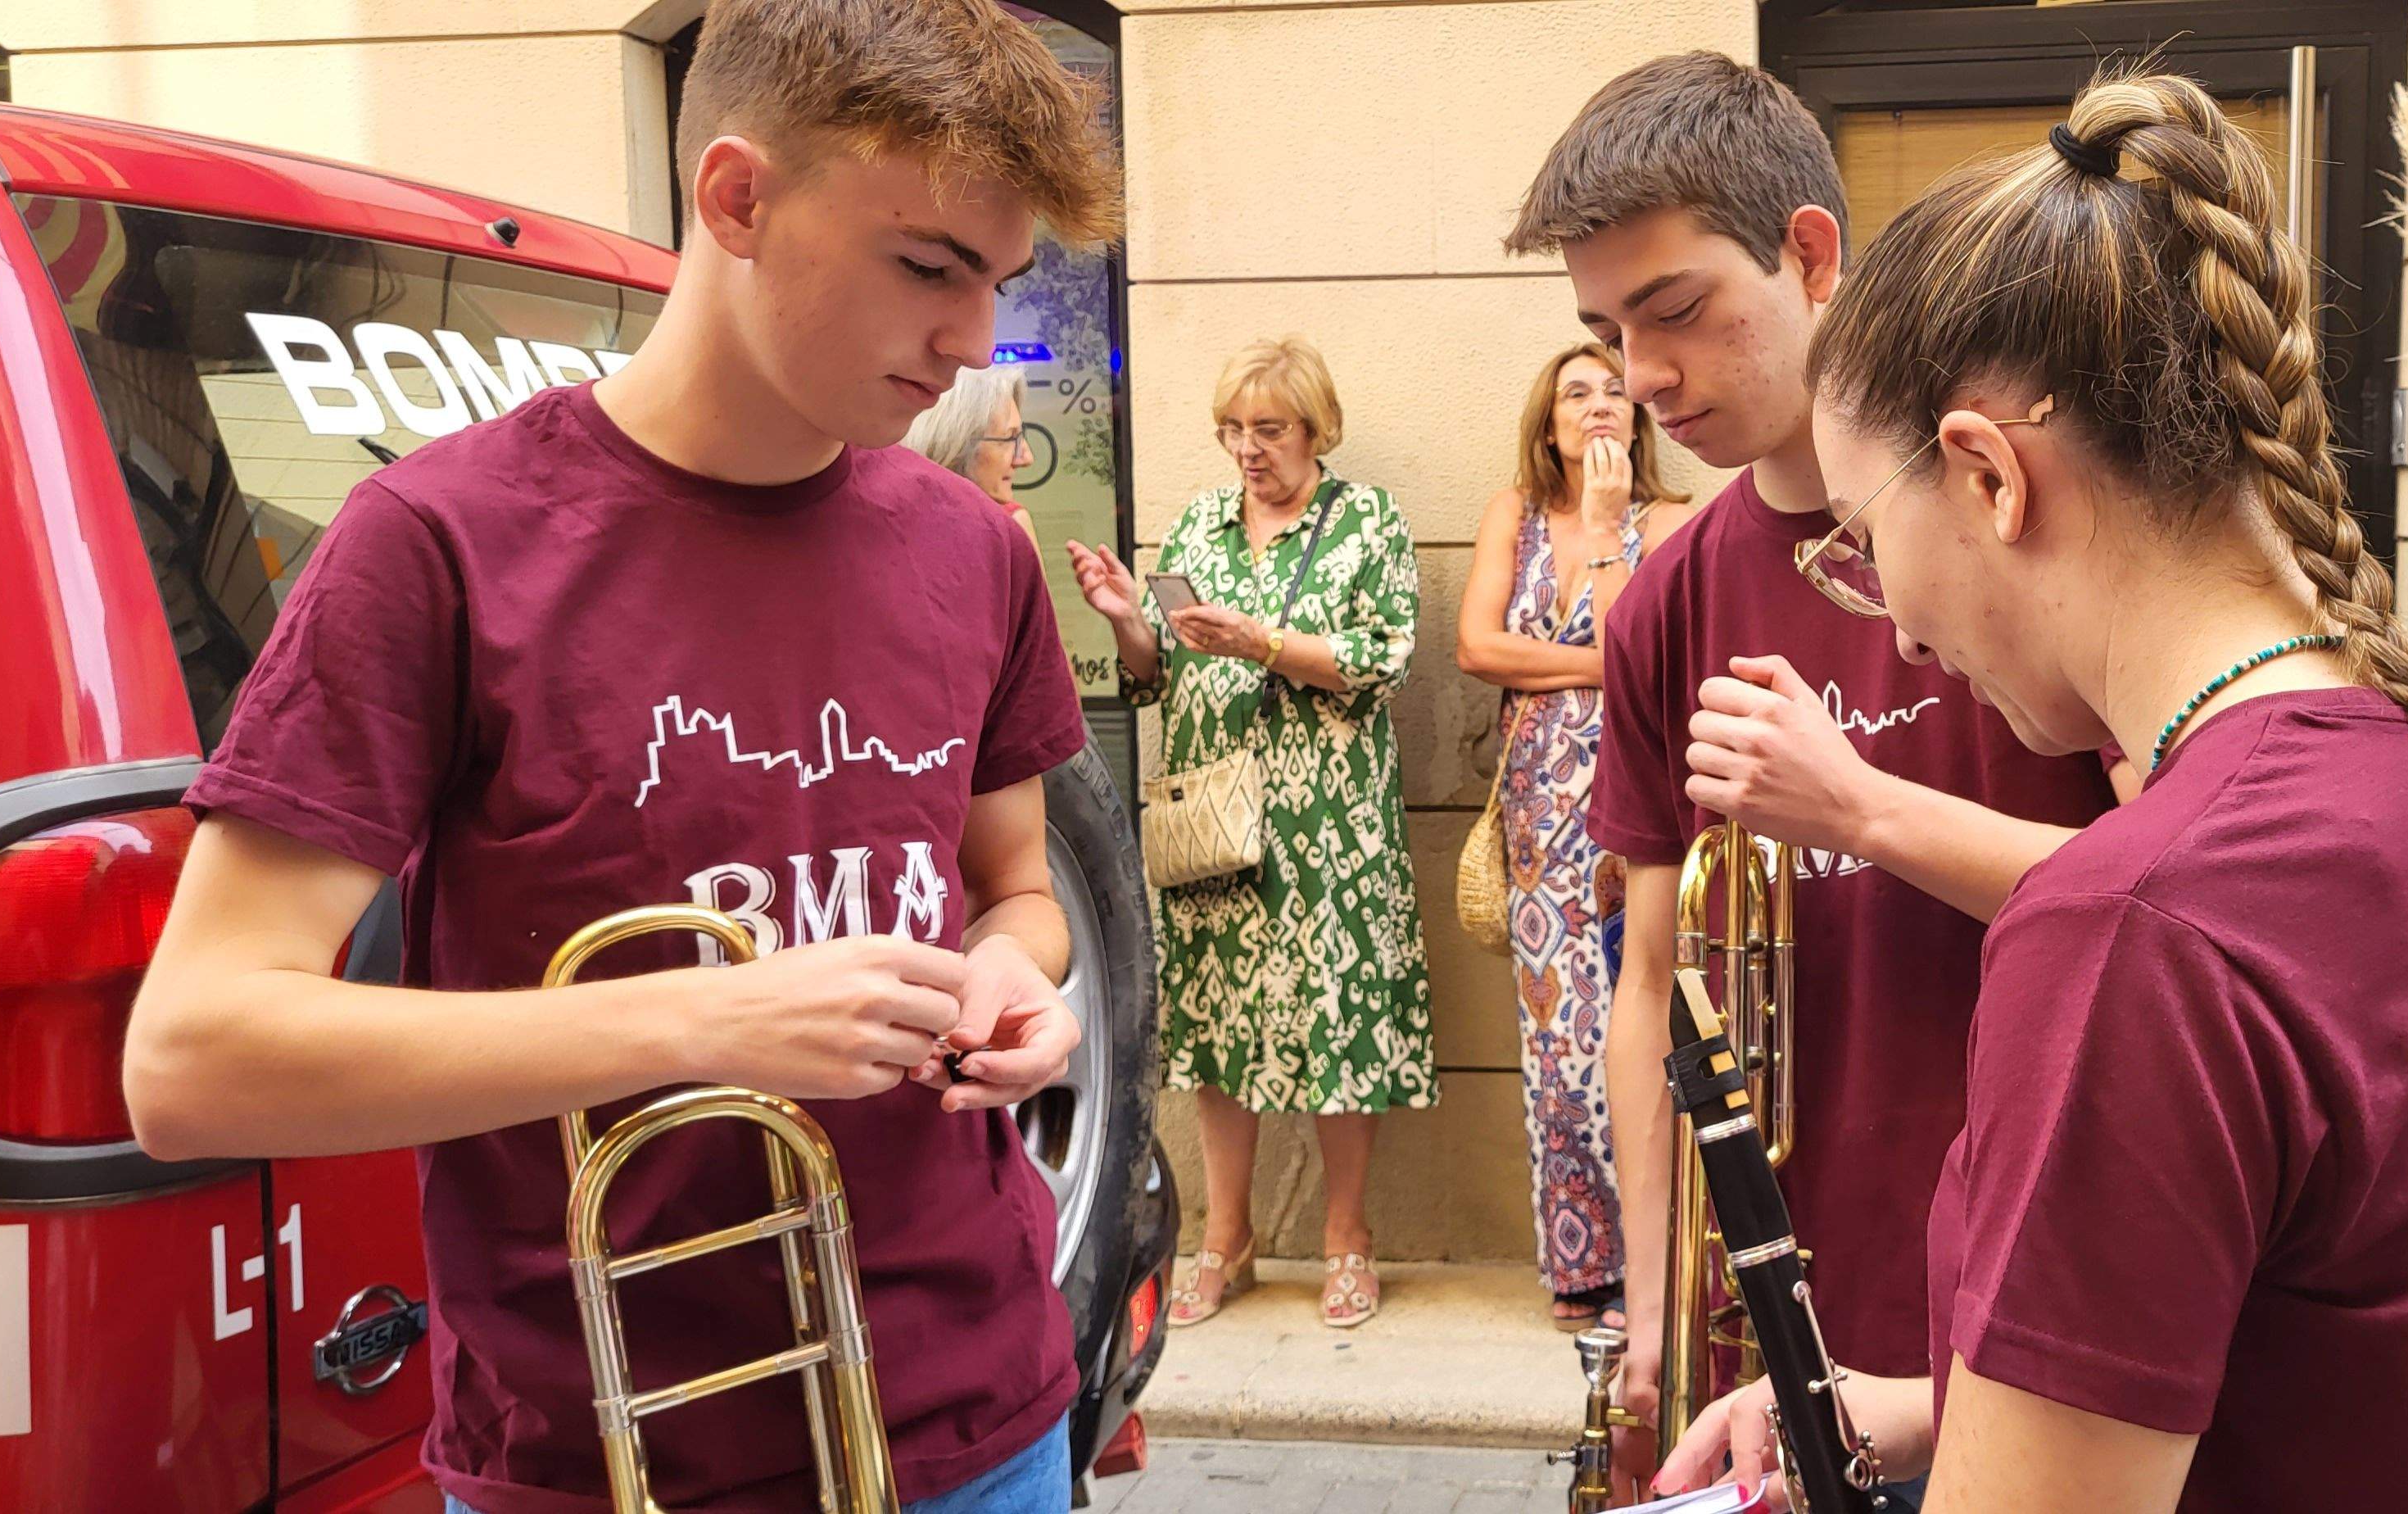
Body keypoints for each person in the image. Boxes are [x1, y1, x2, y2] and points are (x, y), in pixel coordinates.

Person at [118, 2, 1120, 1512]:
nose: (975, 342)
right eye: (928, 267)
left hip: (989, 1425)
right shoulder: (437, 545)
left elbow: (1019, 891)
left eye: (998, 280)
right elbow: (192, 1062)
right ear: (737, 198)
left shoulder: (977, 551)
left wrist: (1011, 977)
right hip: (601, 1456)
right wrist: (707, 1019)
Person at [1654, 70, 2408, 1514]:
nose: (1900, 630)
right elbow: (2354, 1356)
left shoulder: (2137, 924)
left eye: (1863, 541)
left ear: (1989, 477)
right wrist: (1936, 1409)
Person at [1504, 51, 2134, 1498]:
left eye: (1677, 310)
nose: (1643, 376)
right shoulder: (1665, 604)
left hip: (2043, 1310)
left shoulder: (2014, 519)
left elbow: (2191, 902)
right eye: (1607, 331)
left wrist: (1861, 809)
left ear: (1810, 253)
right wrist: (1653, 1302)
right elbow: (1652, 976)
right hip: (1779, 1336)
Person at [1061, 336, 1432, 1332]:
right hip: (1216, 818)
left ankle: (1346, 1236)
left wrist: (1259, 641)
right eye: (1232, 429)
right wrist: (1124, 619)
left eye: (1267, 429)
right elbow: (1153, 677)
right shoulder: (1199, 524)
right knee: (1220, 1026)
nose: (1246, 449)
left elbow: (1382, 657)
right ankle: (1225, 1237)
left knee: (1339, 1018)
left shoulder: (1366, 520)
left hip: (1331, 821)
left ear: (1316, 427)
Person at [1455, 341, 1699, 1331]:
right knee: (1557, 1037)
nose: (1598, 406)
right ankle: (1583, 1265)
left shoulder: (1672, 520)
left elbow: (1651, 655)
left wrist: (1604, 531)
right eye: (1575, 394)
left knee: (1641, 1021)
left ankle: (1658, 1262)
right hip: (1537, 813)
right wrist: (1600, 664)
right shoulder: (1511, 515)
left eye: (1613, 392)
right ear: (1547, 423)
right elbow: (1477, 646)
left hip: (1637, 800)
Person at [902, 360, 1042, 551]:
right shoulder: (888, 527)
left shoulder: (1011, 528)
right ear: (956, 445)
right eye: (1009, 438)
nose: (1026, 459)